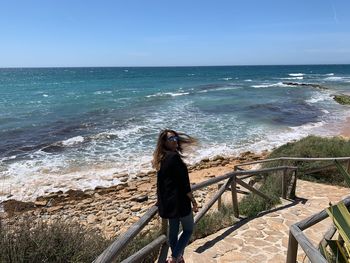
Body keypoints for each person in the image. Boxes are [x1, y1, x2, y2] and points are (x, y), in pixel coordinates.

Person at [152, 129, 198, 263]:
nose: (175, 141)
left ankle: (178, 258)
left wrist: (159, 201)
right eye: (171, 139)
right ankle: (174, 257)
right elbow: (185, 184)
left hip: (169, 204)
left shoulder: (162, 158)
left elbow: (160, 183)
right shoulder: (174, 157)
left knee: (173, 233)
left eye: (175, 138)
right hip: (180, 202)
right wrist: (193, 201)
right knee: (189, 229)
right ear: (164, 142)